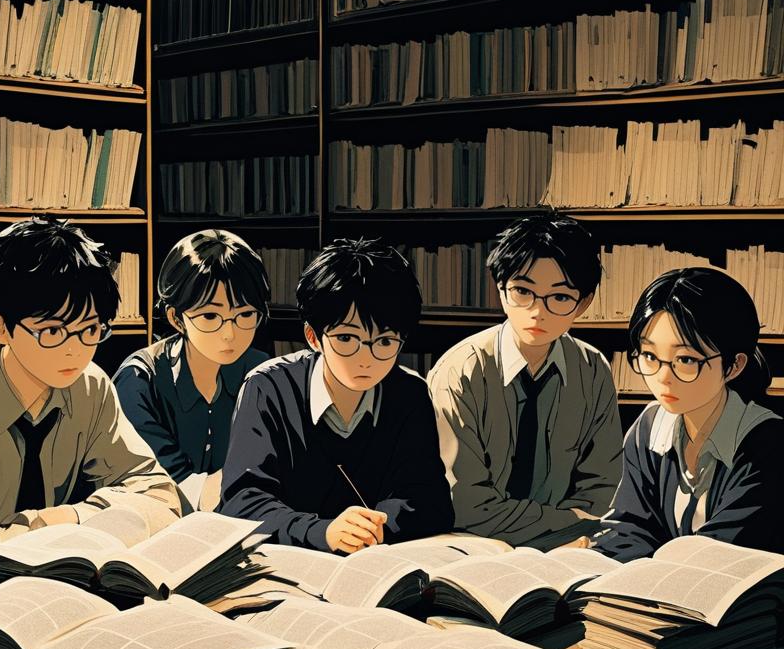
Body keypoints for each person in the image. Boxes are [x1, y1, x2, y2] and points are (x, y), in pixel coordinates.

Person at [0, 217, 180, 603]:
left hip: (63, 596)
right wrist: (52, 527)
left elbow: (159, 494)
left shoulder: (90, 386)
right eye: (52, 332)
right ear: (0, 326)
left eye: (90, 329)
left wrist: (73, 518)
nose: (75, 350)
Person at [217, 237, 453, 552]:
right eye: (346, 338)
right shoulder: (268, 387)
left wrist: (374, 526)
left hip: (375, 563)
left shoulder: (410, 394)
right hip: (288, 565)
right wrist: (322, 531)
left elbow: (432, 503)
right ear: (313, 337)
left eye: (384, 342)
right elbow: (241, 503)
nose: (366, 358)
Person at [427, 212, 622, 549]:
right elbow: (468, 507)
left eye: (560, 297)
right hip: (470, 546)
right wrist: (572, 521)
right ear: (501, 289)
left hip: (570, 548)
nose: (537, 311)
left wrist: (576, 531)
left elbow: (604, 490)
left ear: (584, 302)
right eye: (522, 291)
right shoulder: (459, 372)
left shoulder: (592, 369)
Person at [593, 268, 783, 560]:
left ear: (734, 365)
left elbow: (729, 550)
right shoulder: (650, 425)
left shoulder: (767, 441)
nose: (663, 378)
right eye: (649, 356)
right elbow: (627, 527)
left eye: (685, 359)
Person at [114, 230, 270, 512]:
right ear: (176, 318)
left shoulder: (262, 371)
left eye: (245, 315)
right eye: (210, 316)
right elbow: (165, 486)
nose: (230, 333)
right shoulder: (139, 380)